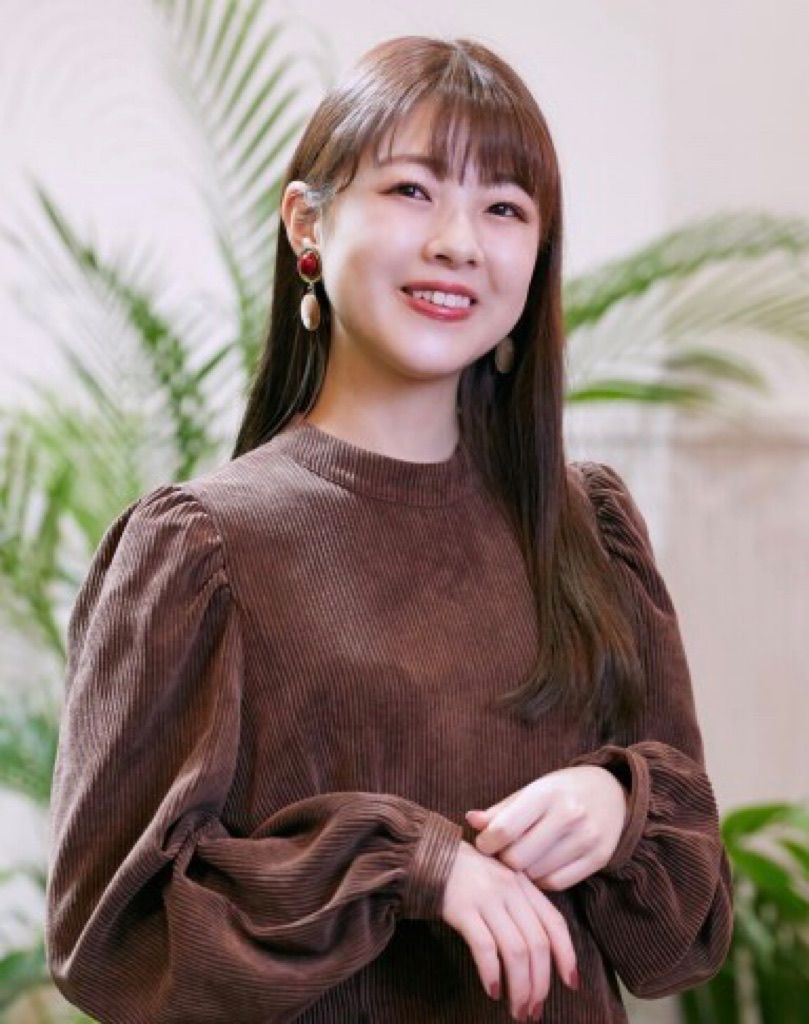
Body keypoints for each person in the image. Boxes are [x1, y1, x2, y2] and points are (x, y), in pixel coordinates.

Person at [45, 34, 733, 1024]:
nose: (457, 241)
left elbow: (682, 935)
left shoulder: (587, 530)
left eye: (503, 208)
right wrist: (407, 864)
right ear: (307, 223)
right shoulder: (201, 548)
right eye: (412, 190)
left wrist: (619, 806)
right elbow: (110, 937)